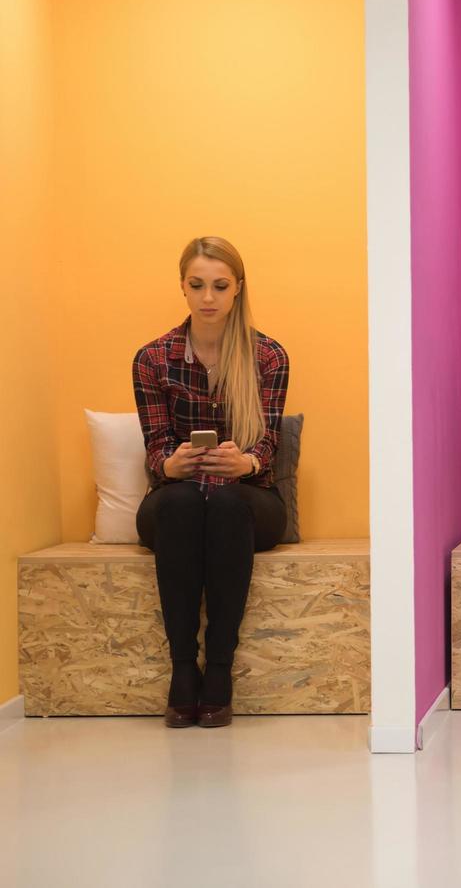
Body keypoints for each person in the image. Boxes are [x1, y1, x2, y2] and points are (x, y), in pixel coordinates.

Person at [132, 237, 289, 728]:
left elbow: (269, 444)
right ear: (182, 287)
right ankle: (183, 670)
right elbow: (155, 443)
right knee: (181, 504)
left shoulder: (267, 356)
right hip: (176, 499)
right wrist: (169, 464)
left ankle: (218, 669)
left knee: (223, 505)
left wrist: (246, 464)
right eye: (197, 285)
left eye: (220, 286)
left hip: (248, 499)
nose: (208, 297)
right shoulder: (153, 358)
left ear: (238, 289)